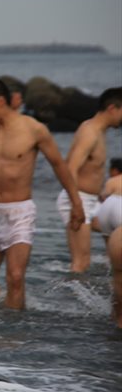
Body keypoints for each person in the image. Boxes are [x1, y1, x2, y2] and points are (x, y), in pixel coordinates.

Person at [0, 79, 84, 310]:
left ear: (0, 101)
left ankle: (15, 335)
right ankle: (4, 308)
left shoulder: (34, 129)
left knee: (16, 277)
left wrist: (76, 202)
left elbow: (59, 165)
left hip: (20, 212)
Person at [58, 87, 122, 272]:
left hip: (90, 201)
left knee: (111, 249)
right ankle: (71, 299)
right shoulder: (90, 132)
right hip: (77, 199)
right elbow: (70, 168)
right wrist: (76, 205)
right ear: (112, 108)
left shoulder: (98, 131)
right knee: (81, 261)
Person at [94, 158, 122, 239]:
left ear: (115, 170)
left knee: (109, 245)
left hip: (108, 209)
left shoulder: (112, 181)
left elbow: (103, 197)